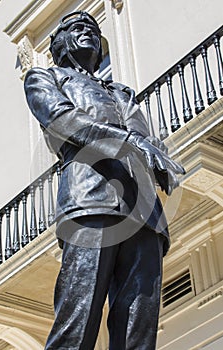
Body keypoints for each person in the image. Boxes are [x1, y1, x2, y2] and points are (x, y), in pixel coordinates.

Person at [24, 11, 185, 350]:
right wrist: (130, 144)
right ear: (58, 45)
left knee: (139, 330)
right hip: (89, 199)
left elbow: (145, 136)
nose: (87, 31)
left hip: (145, 213)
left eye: (94, 29)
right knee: (77, 318)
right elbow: (63, 119)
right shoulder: (45, 77)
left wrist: (159, 160)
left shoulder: (121, 93)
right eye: (75, 27)